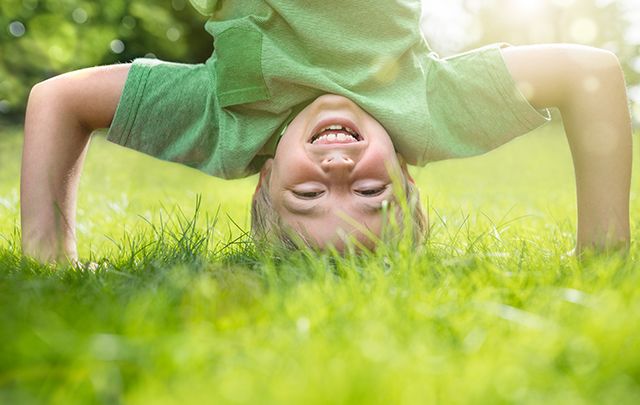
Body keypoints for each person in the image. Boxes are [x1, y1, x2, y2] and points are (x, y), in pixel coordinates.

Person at [20, 0, 632, 263]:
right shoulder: (433, 113)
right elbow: (590, 75)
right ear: (405, 172)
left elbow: (57, 99)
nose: (338, 175)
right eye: (372, 195)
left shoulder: (222, 126)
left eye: (308, 197)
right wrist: (601, 250)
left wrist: (50, 256)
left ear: (263, 181)